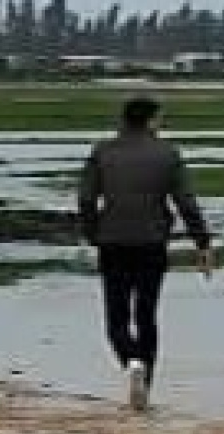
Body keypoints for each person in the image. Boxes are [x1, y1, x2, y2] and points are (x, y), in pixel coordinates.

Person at [76, 94, 214, 409]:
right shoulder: (167, 154)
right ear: (151, 120)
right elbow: (186, 202)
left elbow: (85, 199)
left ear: (124, 120)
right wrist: (202, 242)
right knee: (147, 315)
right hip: (152, 242)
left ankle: (130, 360)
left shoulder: (103, 152)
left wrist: (92, 232)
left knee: (117, 317)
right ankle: (145, 386)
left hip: (112, 241)